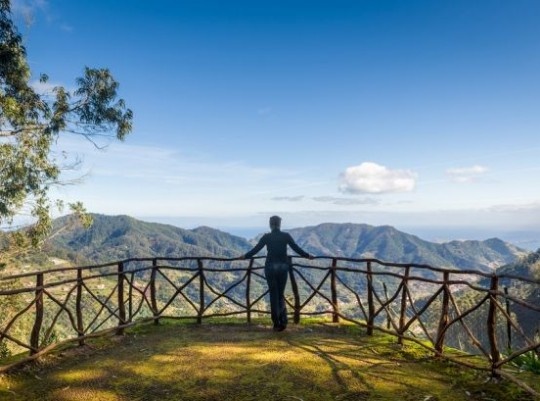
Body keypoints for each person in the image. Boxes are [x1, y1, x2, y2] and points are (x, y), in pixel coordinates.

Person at [240, 216, 313, 331]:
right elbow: (296, 248)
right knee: (280, 294)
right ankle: (283, 322)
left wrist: (245, 256)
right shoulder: (286, 236)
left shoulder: (266, 237)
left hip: (270, 267)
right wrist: (307, 256)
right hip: (283, 267)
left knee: (274, 294)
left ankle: (276, 323)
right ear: (279, 224)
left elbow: (256, 249)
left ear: (270, 224)